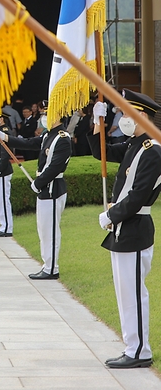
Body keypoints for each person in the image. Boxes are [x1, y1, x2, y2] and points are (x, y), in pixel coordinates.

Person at [90, 90, 161, 369]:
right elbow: (101, 153)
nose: (121, 119)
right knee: (124, 292)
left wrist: (110, 215)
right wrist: (98, 123)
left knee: (133, 292)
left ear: (141, 116)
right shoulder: (135, 144)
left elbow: (138, 196)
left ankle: (140, 350)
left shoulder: (153, 150)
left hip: (135, 228)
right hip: (123, 229)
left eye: (124, 114)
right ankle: (132, 345)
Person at [0, 110, 71, 280]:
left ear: (57, 116)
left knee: (49, 230)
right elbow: (27, 143)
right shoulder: (48, 135)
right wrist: (4, 137)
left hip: (52, 189)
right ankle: (47, 265)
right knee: (43, 229)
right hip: (45, 189)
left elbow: (55, 167)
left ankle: (51, 268)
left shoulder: (62, 138)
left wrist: (38, 182)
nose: (44, 117)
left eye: (47, 114)